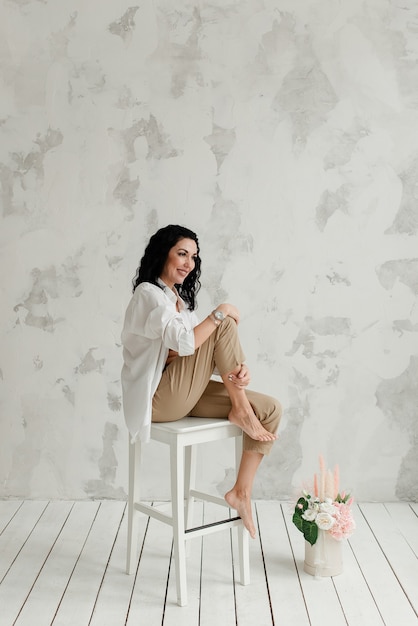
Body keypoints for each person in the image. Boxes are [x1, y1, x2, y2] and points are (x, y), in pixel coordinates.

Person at [121, 224, 282, 538]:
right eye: (181, 253)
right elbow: (188, 344)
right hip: (156, 400)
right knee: (220, 321)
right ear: (162, 253)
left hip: (180, 391)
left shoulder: (178, 302)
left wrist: (238, 368)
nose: (188, 263)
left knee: (270, 409)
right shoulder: (148, 295)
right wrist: (219, 314)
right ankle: (241, 409)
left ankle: (241, 492)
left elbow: (198, 354)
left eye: (193, 257)